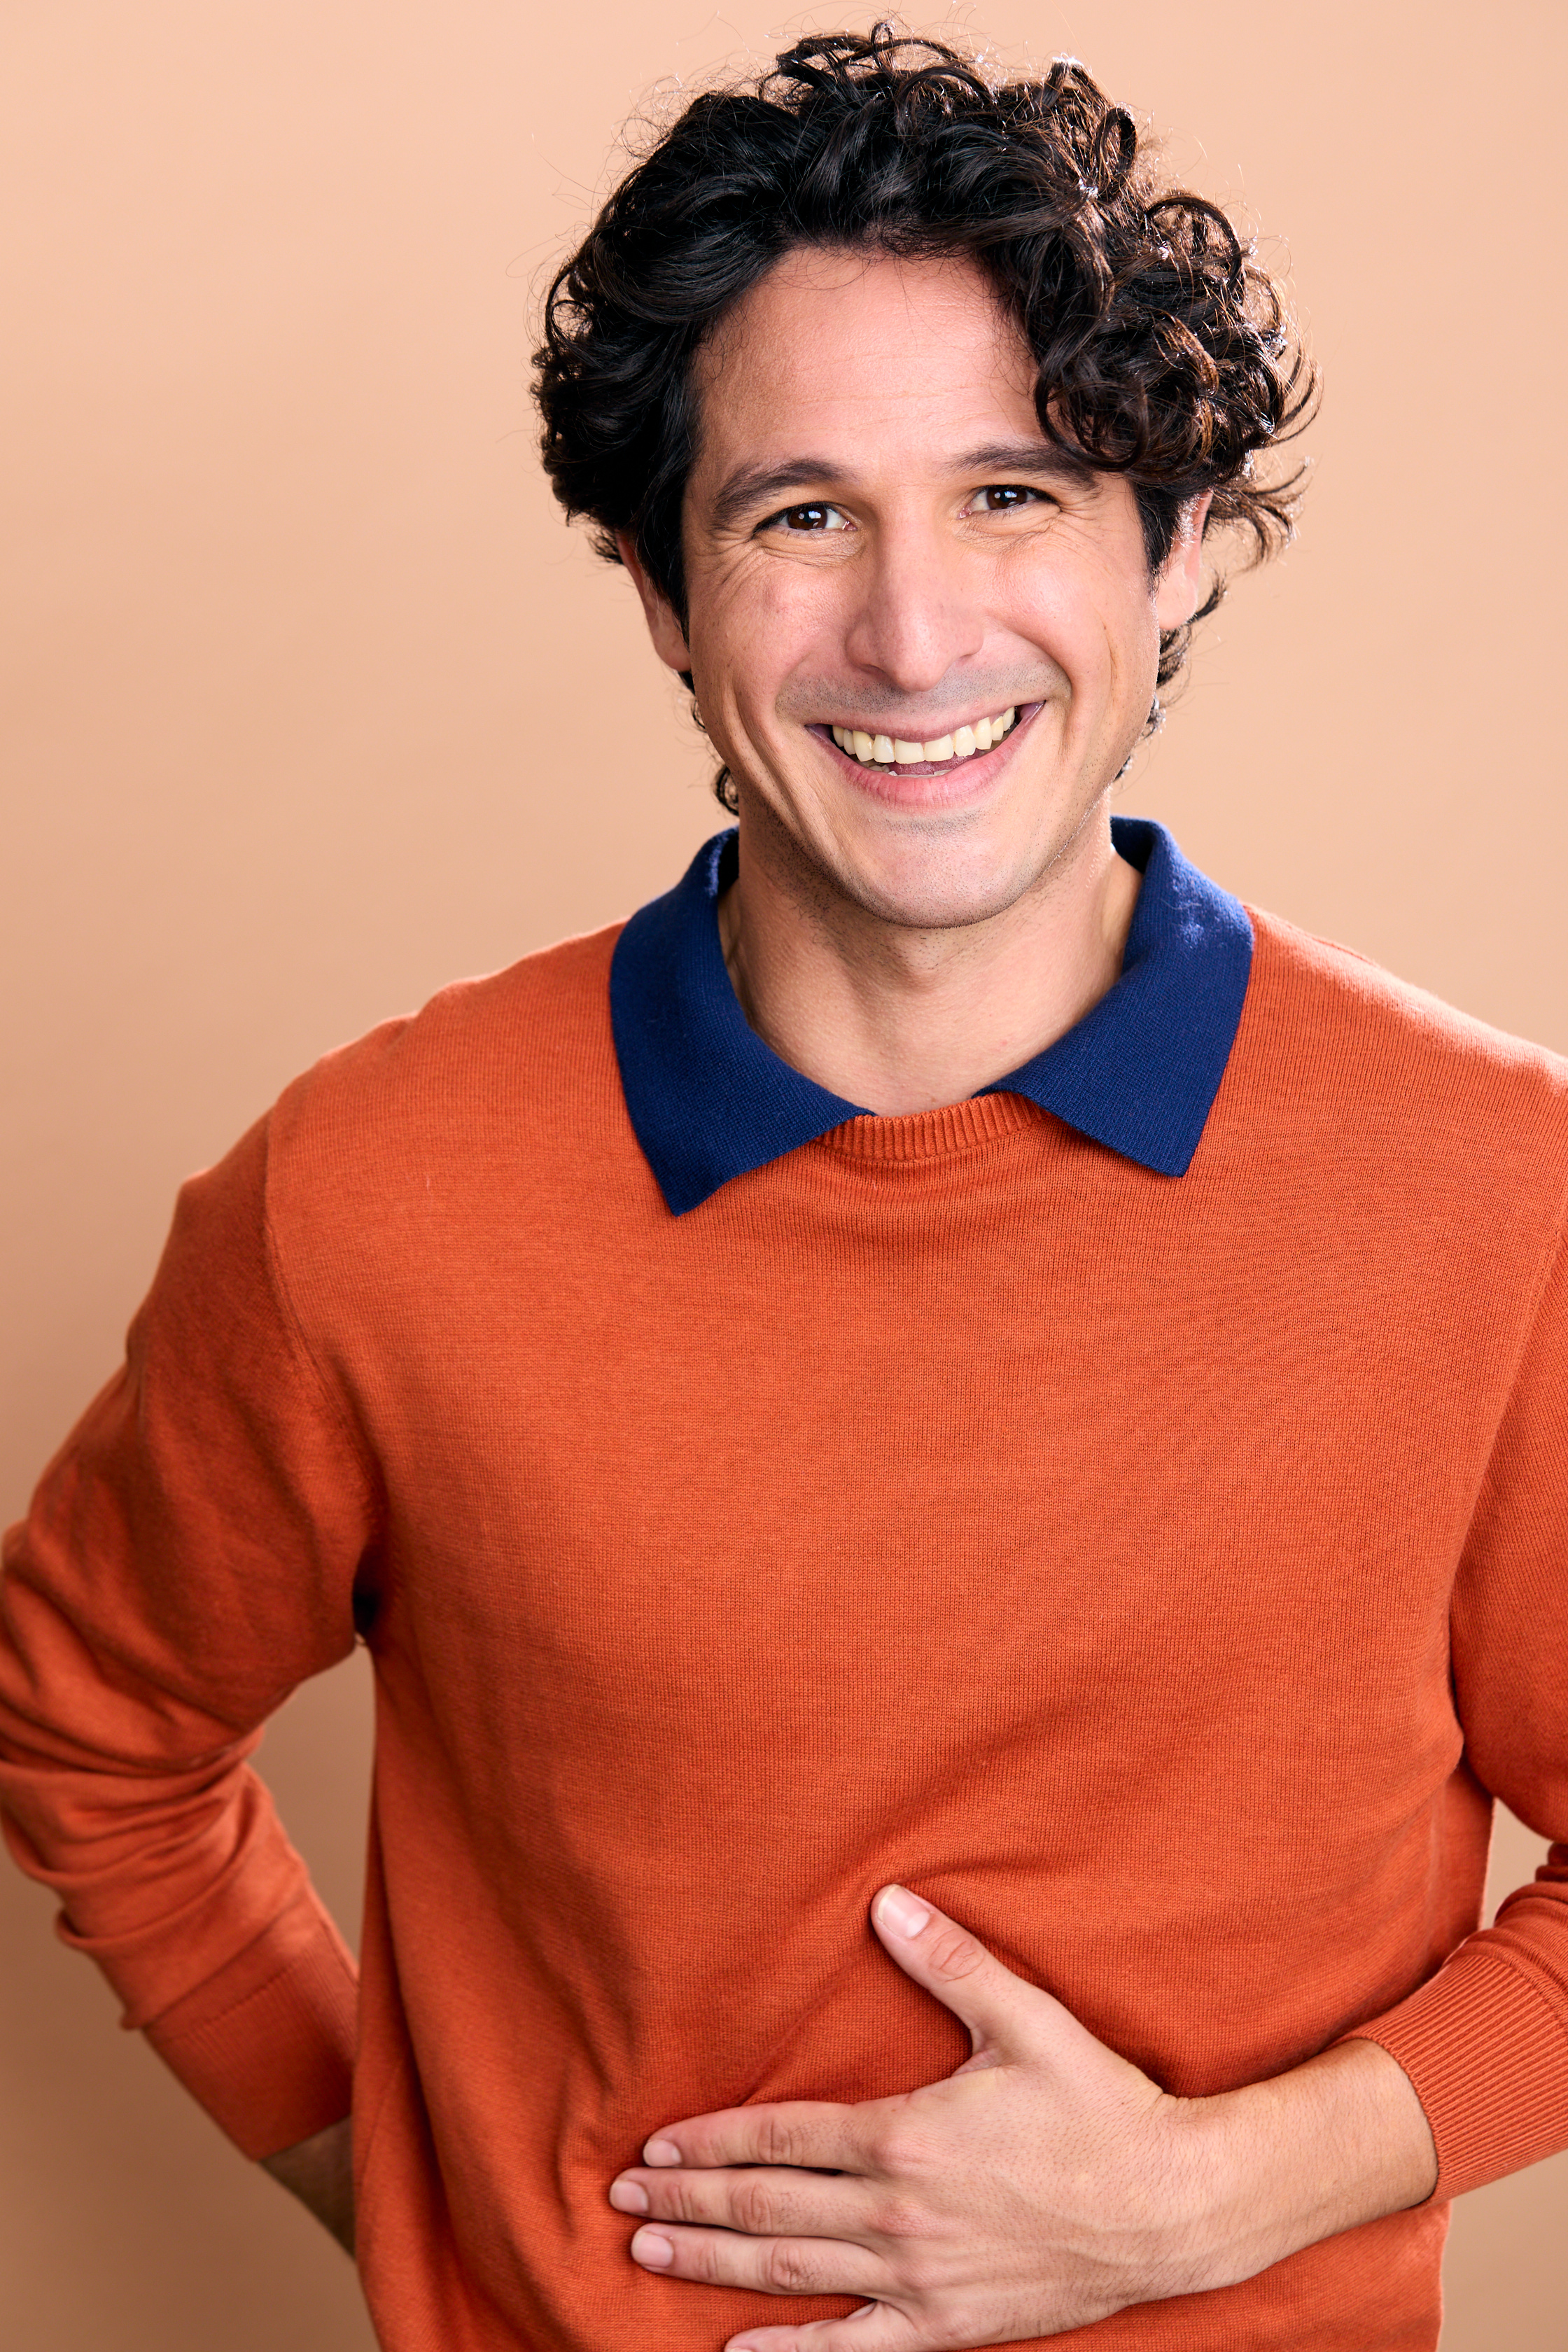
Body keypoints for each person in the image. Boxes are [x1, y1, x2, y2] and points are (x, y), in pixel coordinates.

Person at [4, 23, 1567, 2352]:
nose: (914, 636)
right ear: (665, 590)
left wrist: (1211, 2199)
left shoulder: (1502, 1196)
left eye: (1015, 494)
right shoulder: (361, 1202)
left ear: (1175, 556)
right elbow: (90, 1729)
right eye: (799, 515)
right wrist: (413, 2196)